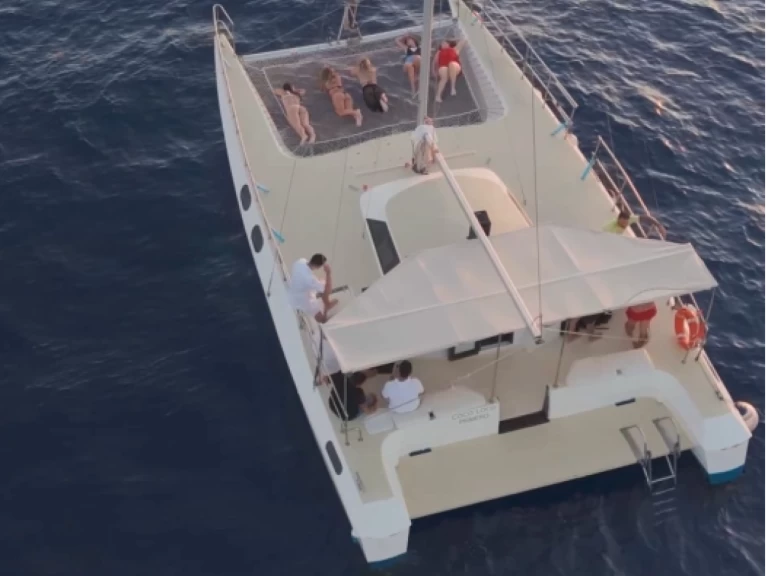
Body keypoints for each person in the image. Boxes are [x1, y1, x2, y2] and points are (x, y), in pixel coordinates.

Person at [288, 254, 338, 323]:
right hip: (301, 300)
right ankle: (327, 306)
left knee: (322, 283)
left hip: (294, 289)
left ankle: (327, 303)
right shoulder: (309, 279)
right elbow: (328, 289)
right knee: (322, 320)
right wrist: (328, 273)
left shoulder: (301, 261)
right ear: (318, 267)